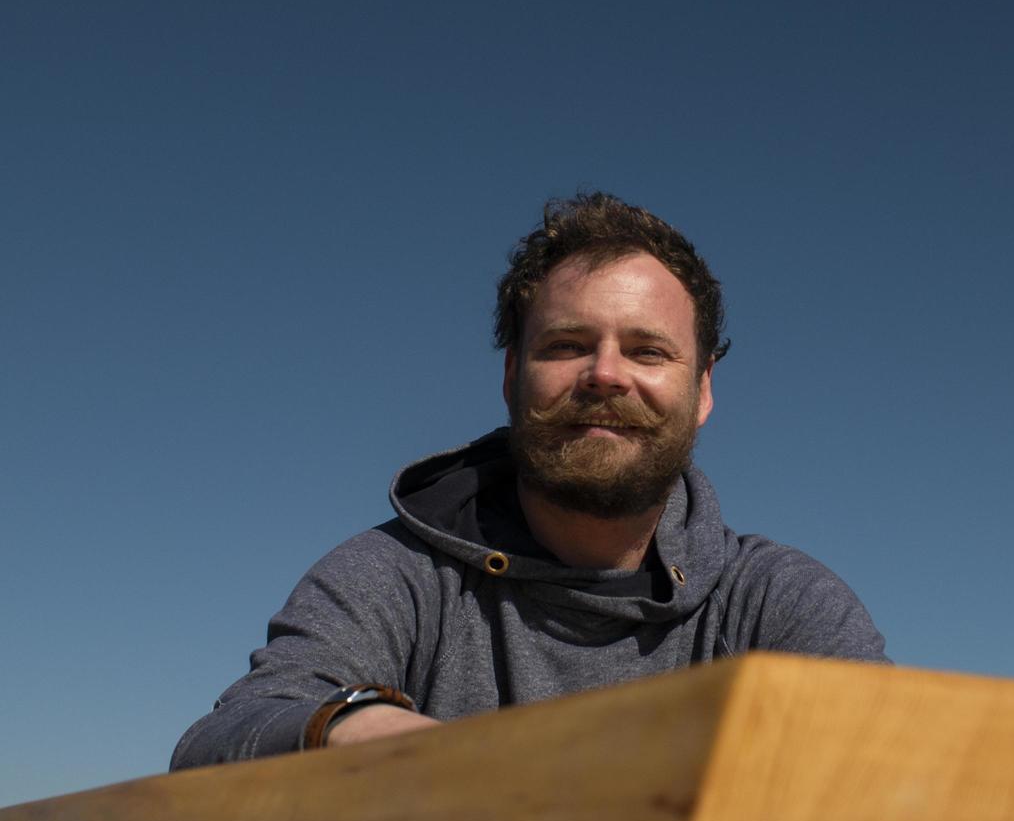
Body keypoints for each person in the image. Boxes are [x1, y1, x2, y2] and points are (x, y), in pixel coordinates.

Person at [171, 191, 887, 768]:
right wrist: (360, 729)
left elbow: (902, 777)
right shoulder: (394, 576)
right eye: (567, 345)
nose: (605, 375)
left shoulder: (778, 604)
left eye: (647, 351)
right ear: (513, 375)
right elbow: (223, 741)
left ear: (701, 391)